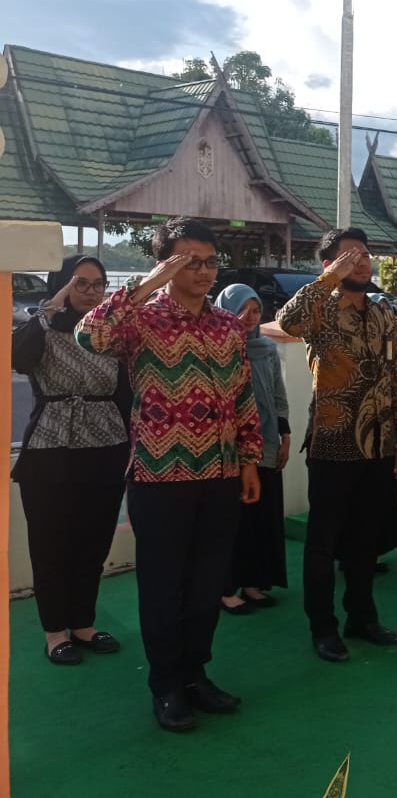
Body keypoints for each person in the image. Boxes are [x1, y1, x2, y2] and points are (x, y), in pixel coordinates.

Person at [76, 218, 262, 732]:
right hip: (159, 476)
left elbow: (243, 396)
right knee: (162, 587)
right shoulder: (140, 318)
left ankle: (195, 675)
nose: (203, 271)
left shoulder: (228, 326)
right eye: (189, 261)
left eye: (210, 261)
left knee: (206, 585)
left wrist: (249, 460)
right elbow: (88, 335)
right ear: (165, 263)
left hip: (221, 473)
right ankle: (165, 686)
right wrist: (142, 286)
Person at [276, 227, 397, 664]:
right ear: (330, 264)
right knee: (323, 543)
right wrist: (327, 280)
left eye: (365, 255)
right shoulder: (319, 308)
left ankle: (362, 617)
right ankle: (323, 627)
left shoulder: (382, 313)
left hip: (378, 442)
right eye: (350, 256)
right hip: (334, 442)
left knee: (365, 541)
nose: (362, 262)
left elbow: (396, 375)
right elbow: (287, 321)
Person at [12, 255, 131, 665]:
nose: (91, 292)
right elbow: (16, 357)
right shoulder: (42, 329)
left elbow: (127, 394)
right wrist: (50, 309)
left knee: (92, 543)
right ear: (62, 285)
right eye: (80, 282)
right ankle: (55, 632)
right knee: (50, 545)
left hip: (106, 449)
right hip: (51, 452)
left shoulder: (110, 335)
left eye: (98, 284)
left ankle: (82, 623)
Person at [214, 285, 290, 615]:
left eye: (255, 310)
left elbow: (276, 392)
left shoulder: (266, 348)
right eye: (241, 309)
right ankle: (226, 587)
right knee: (233, 518)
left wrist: (285, 433)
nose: (249, 317)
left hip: (266, 441)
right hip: (229, 446)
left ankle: (253, 582)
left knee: (262, 514)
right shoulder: (218, 347)